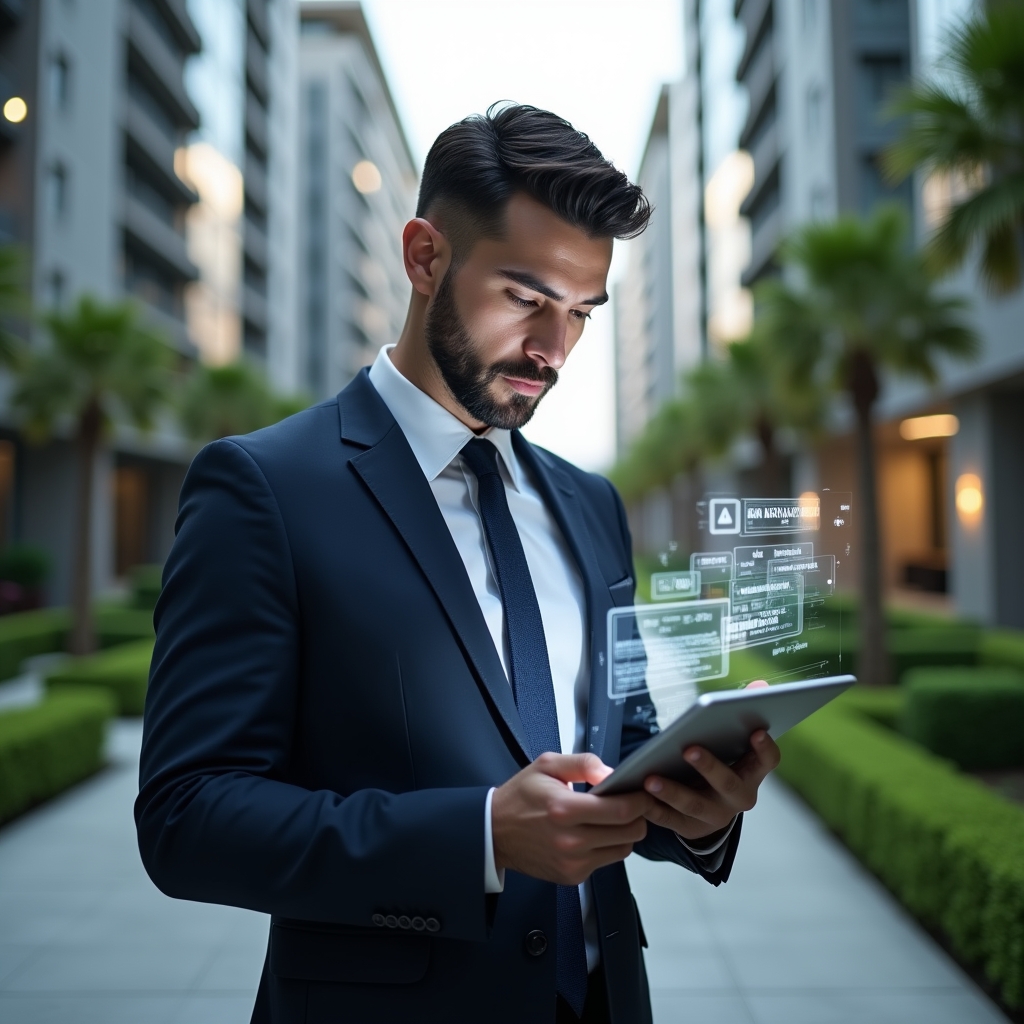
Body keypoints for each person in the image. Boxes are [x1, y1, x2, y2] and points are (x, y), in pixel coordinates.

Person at [135, 103, 780, 1024]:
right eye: (525, 299)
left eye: (580, 314)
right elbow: (186, 818)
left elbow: (619, 754)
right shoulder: (264, 489)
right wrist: (479, 837)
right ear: (424, 257)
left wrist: (702, 812)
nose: (553, 351)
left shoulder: (590, 504)